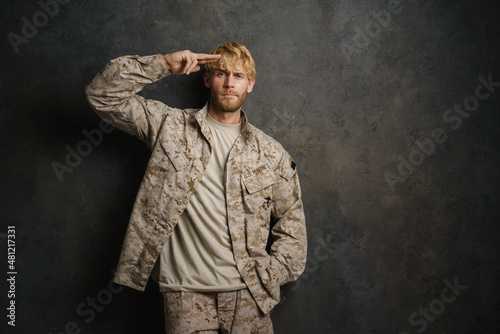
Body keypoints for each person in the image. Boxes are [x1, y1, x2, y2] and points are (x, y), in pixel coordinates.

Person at [85, 41, 307, 334]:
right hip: (185, 297)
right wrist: (163, 64)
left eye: (239, 76)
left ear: (250, 84)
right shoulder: (170, 127)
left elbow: (293, 226)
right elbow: (102, 95)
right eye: (221, 74)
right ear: (206, 78)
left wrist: (268, 275)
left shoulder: (271, 153)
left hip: (249, 297)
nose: (229, 83)